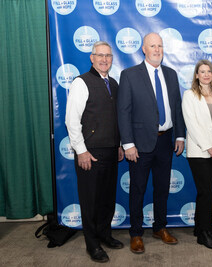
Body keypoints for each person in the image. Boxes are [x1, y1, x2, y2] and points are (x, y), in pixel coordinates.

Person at [117, 32, 186, 254]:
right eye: (152, 46)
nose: (157, 50)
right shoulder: (129, 75)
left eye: (160, 46)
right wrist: (127, 144)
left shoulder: (171, 74)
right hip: (139, 144)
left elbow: (176, 107)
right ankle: (136, 233)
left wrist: (180, 135)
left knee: (162, 189)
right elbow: (123, 111)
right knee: (137, 189)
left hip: (166, 141)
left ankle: (160, 227)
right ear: (144, 49)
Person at [65, 41, 124, 263]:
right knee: (90, 201)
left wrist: (118, 145)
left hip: (110, 151)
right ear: (92, 57)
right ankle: (92, 244)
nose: (104, 59)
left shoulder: (114, 83)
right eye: (100, 55)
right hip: (89, 152)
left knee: (107, 199)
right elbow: (72, 120)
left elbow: (114, 119)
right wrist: (81, 151)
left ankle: (104, 234)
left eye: (108, 55)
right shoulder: (81, 82)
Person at [182, 60, 212, 250]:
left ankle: (201, 228)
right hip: (200, 150)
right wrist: (209, 146)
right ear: (196, 75)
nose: (206, 75)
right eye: (202, 72)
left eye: (209, 71)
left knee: (208, 191)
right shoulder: (190, 95)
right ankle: (204, 234)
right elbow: (191, 124)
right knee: (206, 191)